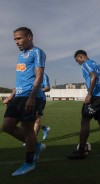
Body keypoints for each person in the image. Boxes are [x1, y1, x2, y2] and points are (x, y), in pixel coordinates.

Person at [2, 27, 46, 176]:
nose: (16, 42)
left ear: (29, 37)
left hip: (30, 96)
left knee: (27, 129)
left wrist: (32, 97)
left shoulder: (37, 52)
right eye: (15, 39)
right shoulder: (21, 56)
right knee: (7, 126)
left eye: (19, 38)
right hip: (18, 96)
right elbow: (21, 80)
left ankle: (29, 162)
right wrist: (11, 95)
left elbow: (39, 76)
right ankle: (36, 146)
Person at [67, 50, 100, 159]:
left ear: (80, 57)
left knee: (85, 120)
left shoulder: (86, 64)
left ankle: (81, 151)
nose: (77, 63)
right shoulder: (97, 64)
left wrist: (89, 94)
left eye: (77, 60)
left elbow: (93, 75)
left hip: (95, 96)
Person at [34, 73, 51, 140]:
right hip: (30, 99)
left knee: (37, 119)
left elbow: (47, 87)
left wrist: (37, 91)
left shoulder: (43, 75)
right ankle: (44, 128)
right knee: (29, 120)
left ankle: (33, 140)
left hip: (40, 99)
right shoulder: (29, 74)